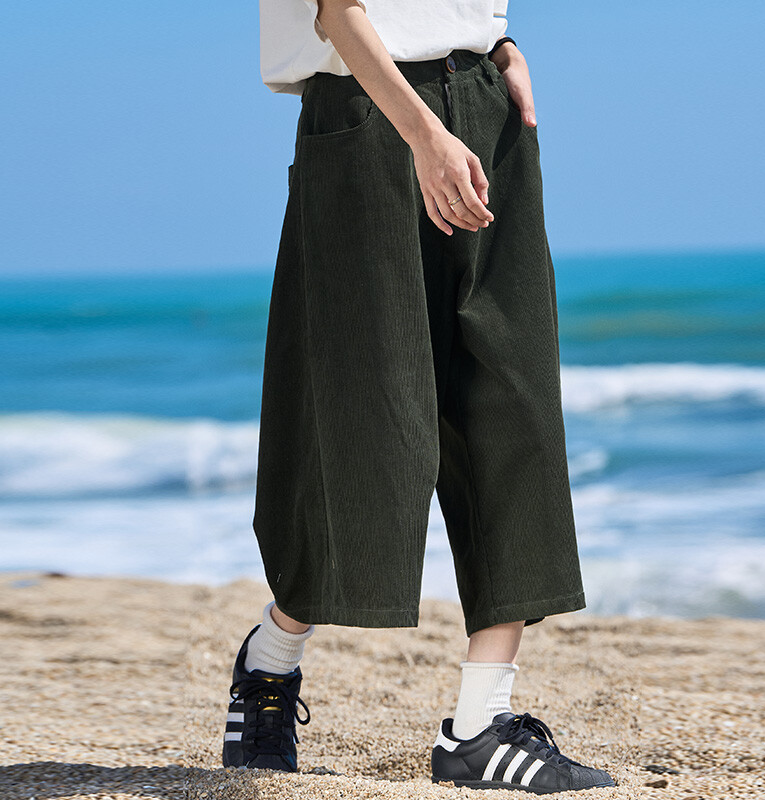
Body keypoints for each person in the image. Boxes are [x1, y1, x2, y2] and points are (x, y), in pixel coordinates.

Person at [221, 0, 617, 793]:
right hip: (368, 115)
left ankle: (480, 726)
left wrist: (499, 46)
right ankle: (272, 657)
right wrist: (425, 135)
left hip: (483, 99)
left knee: (514, 406)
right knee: (367, 421)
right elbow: (336, 11)